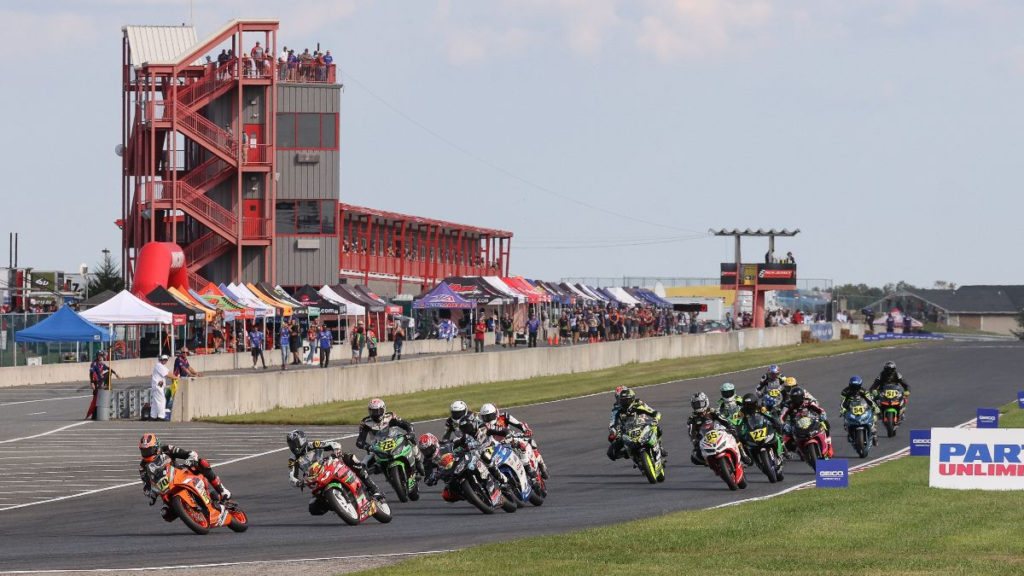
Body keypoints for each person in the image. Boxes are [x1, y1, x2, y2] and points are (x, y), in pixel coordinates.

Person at [139, 433, 230, 521]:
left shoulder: (166, 449)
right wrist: (151, 494)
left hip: (181, 474)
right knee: (165, 514)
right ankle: (191, 513)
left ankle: (222, 490)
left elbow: (186, 453)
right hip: (166, 489)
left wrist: (191, 458)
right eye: (143, 451)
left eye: (148, 450)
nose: (146, 453)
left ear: (156, 447)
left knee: (202, 463)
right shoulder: (143, 466)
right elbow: (146, 484)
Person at [286, 430, 383, 511]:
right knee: (313, 508)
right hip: (314, 478)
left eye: (295, 443)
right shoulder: (292, 459)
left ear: (302, 440)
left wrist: (337, 450)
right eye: (291, 444)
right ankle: (336, 505)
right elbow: (291, 476)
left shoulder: (313, 445)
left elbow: (333, 444)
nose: (293, 446)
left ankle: (374, 488)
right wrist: (298, 482)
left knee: (350, 458)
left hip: (326, 467)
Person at [355, 398, 424, 482]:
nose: (375, 414)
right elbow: (359, 441)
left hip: (394, 440)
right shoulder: (365, 422)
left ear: (383, 409)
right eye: (372, 411)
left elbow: (408, 425)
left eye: (377, 411)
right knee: (362, 465)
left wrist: (410, 433)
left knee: (411, 439)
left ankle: (418, 460)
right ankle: (370, 488)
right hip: (377, 447)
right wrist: (368, 447)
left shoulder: (390, 416)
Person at [607, 387, 663, 461]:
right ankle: (627, 453)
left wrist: (654, 419)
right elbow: (612, 423)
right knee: (611, 452)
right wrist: (613, 431)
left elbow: (651, 411)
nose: (623, 401)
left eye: (626, 399)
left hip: (642, 424)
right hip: (626, 431)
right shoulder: (616, 410)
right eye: (620, 399)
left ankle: (659, 447)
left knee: (658, 429)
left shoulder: (638, 403)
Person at [686, 391, 742, 465]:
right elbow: (691, 432)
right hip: (704, 439)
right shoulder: (692, 418)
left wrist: (729, 426)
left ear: (706, 402)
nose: (699, 406)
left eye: (701, 403)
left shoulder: (712, 411)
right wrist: (694, 440)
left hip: (718, 433)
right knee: (694, 457)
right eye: (696, 404)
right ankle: (710, 462)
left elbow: (723, 420)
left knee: (734, 433)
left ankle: (742, 452)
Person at [780, 386, 832, 455]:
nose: (797, 401)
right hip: (796, 424)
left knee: (825, 424)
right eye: (794, 399)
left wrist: (822, 414)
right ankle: (798, 450)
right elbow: (782, 417)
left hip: (811, 420)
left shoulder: (807, 401)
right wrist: (784, 425)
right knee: (786, 439)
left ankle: (828, 444)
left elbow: (818, 409)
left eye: (798, 398)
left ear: (802, 396)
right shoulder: (788, 405)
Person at [839, 376, 880, 446]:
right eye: (853, 386)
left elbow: (869, 400)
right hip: (850, 408)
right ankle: (850, 432)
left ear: (860, 386)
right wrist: (842, 409)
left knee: (874, 416)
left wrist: (875, 406)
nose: (854, 389)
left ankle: (874, 434)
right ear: (850, 385)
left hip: (862, 407)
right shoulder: (845, 391)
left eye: (856, 386)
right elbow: (842, 402)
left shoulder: (864, 391)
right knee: (845, 421)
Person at [85, 351, 118, 420]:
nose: (101, 357)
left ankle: (106, 386)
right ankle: (94, 415)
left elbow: (109, 369)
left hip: (100, 381)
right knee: (96, 398)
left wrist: (115, 373)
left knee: (109, 373)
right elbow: (91, 373)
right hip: (95, 382)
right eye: (100, 356)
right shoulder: (94, 364)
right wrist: (92, 383)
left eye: (102, 356)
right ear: (98, 356)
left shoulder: (102, 364)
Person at [149, 355, 171, 421]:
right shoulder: (159, 366)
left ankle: (153, 416)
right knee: (162, 400)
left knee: (155, 402)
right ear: (161, 359)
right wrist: (176, 377)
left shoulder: (162, 366)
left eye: (166, 359)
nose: (164, 361)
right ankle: (161, 416)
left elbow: (169, 372)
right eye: (163, 359)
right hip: (158, 386)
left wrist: (175, 376)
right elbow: (167, 374)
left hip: (157, 386)